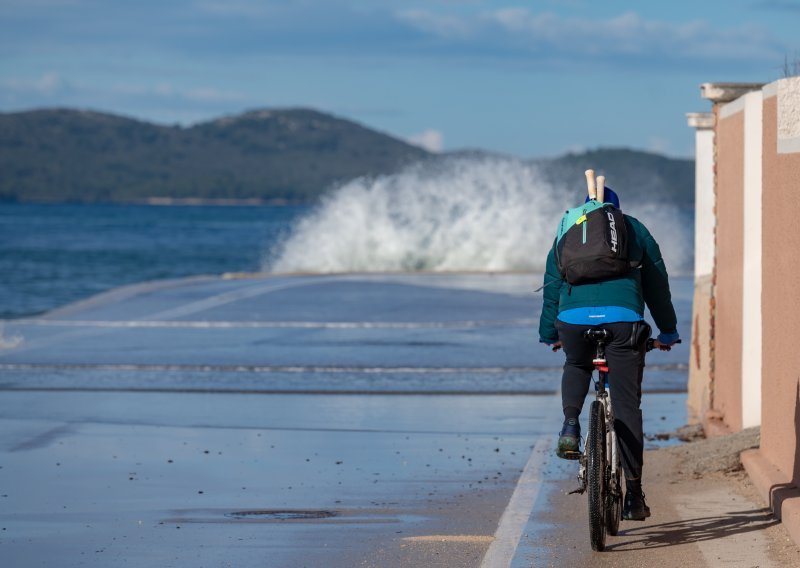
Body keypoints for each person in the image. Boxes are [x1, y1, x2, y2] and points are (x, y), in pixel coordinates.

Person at [538, 185, 679, 521]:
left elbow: (552, 288)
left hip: (572, 323)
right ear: (615, 212)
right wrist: (668, 331)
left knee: (576, 363)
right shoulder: (633, 228)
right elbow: (658, 286)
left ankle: (571, 426)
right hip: (623, 322)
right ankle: (633, 496)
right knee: (627, 405)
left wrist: (550, 334)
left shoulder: (568, 232)